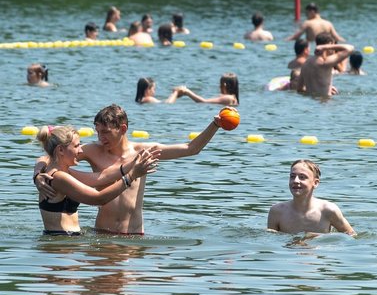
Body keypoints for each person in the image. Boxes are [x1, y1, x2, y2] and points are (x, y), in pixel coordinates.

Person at [33, 104, 224, 234]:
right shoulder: (91, 150)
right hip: (103, 233)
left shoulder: (143, 152)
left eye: (106, 132)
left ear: (123, 129)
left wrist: (215, 125)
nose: (101, 138)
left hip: (134, 234)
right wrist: (38, 174)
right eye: (98, 132)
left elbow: (191, 149)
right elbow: (50, 156)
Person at [35, 125, 158, 235]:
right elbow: (98, 198)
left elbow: (102, 177)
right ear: (60, 150)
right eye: (77, 146)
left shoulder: (62, 173)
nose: (81, 150)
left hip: (65, 245)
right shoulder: (58, 177)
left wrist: (134, 162)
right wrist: (132, 176)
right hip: (60, 248)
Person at [267, 159, 356, 236]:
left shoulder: (328, 210)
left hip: (317, 253)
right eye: (292, 176)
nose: (295, 181)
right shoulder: (277, 211)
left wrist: (320, 237)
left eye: (302, 177)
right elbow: (271, 240)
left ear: (315, 183)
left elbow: (351, 235)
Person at [299, 32, 354, 98]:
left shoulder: (305, 63)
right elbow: (350, 48)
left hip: (311, 105)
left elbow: (299, 89)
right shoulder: (325, 62)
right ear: (330, 44)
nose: (334, 49)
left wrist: (324, 89)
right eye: (333, 45)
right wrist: (325, 47)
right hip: (325, 104)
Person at [169, 73, 240, 106]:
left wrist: (187, 92)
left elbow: (203, 101)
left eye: (220, 84)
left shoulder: (228, 98)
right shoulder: (233, 98)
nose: (219, 86)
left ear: (224, 85)